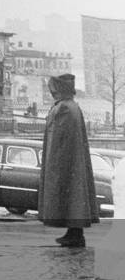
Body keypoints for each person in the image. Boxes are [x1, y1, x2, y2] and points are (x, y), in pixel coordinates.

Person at [38, 73, 99, 247]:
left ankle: (75, 235)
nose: (51, 92)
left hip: (65, 162)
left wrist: (53, 164)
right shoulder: (72, 106)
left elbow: (58, 140)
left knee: (71, 194)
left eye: (53, 89)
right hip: (72, 161)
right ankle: (74, 233)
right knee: (75, 195)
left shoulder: (64, 108)